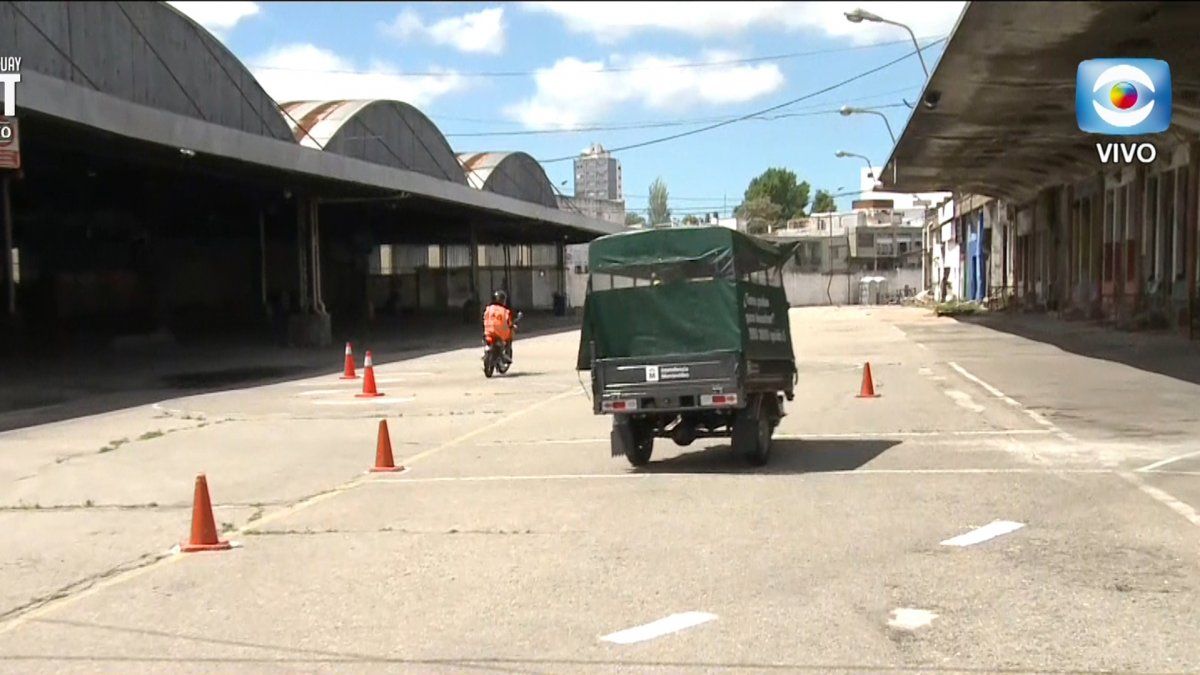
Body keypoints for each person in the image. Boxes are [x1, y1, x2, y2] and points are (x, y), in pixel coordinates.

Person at [482, 290, 515, 355]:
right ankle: (507, 352)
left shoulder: (488, 308)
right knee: (509, 337)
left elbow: (484, 318)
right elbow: (509, 322)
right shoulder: (505, 311)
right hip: (501, 334)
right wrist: (512, 326)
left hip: (488, 332)